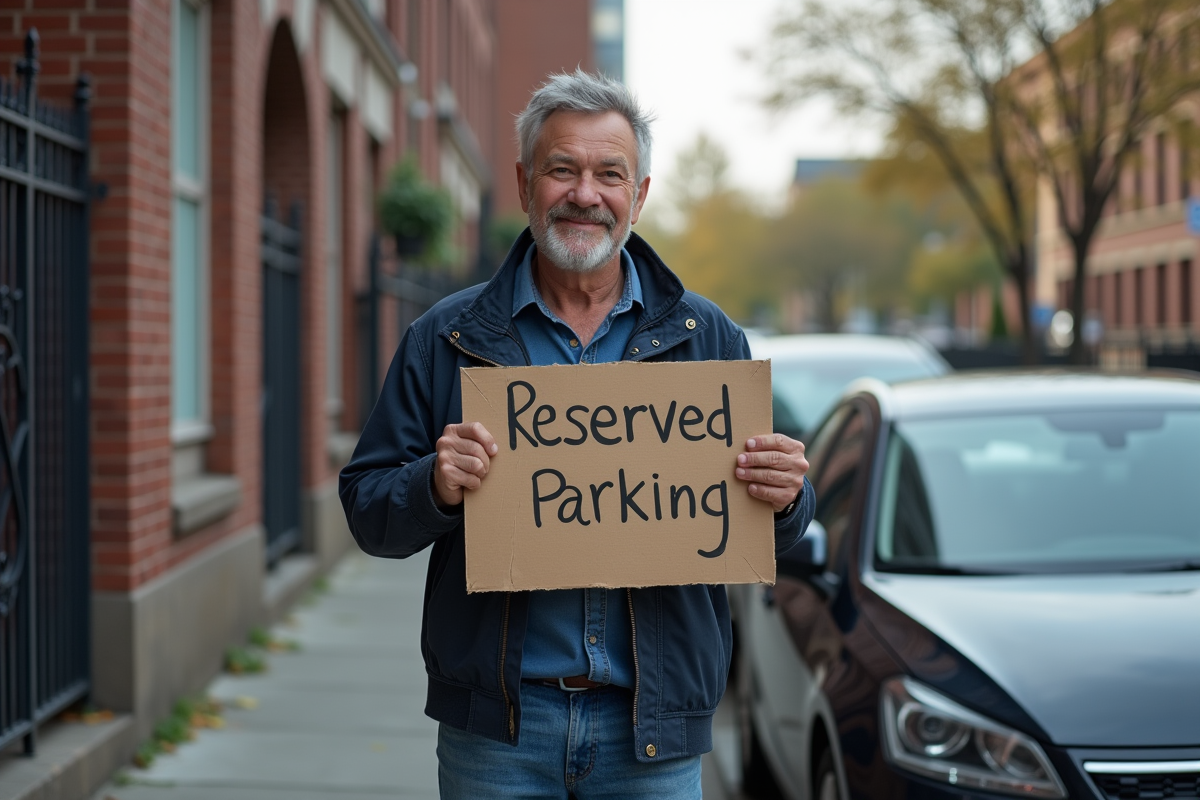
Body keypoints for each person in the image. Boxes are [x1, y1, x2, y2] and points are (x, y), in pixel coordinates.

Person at [339, 70, 814, 800]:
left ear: (639, 195)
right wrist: (432, 484)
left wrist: (785, 498)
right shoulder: (447, 337)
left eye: (609, 175)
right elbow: (368, 509)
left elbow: (768, 526)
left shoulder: (708, 337)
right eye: (562, 169)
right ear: (525, 184)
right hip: (498, 733)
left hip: (651, 734)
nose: (585, 194)